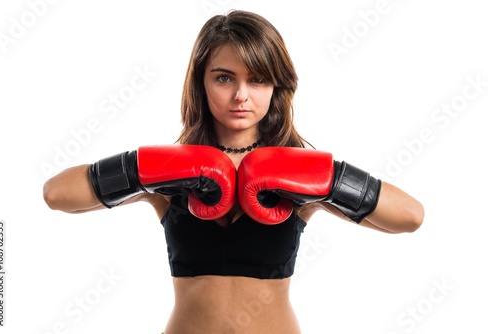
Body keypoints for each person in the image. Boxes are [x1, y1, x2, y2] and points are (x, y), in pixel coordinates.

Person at [43, 9, 424, 333]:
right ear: (202, 82)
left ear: (276, 85)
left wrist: (332, 180)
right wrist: (139, 170)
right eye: (224, 78)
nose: (241, 95)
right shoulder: (171, 171)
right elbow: (56, 194)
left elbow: (409, 217)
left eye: (257, 79)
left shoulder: (300, 171)